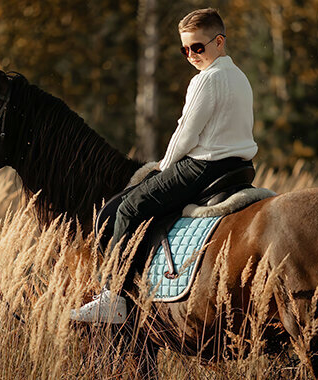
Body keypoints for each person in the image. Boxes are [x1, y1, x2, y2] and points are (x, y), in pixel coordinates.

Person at [70, 8, 257, 323]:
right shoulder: (239, 77)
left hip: (202, 167)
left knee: (129, 209)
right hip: (238, 167)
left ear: (219, 42)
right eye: (185, 49)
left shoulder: (205, 80)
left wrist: (164, 166)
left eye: (198, 47)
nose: (191, 55)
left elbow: (186, 134)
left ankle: (113, 296)